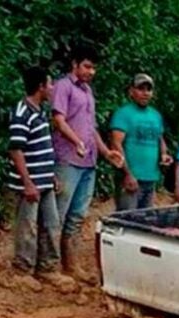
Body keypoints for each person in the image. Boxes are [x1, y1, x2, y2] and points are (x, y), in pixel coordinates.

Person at [52, 46, 124, 280]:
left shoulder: (87, 91)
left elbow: (91, 128)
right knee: (58, 215)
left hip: (88, 162)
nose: (91, 71)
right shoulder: (63, 86)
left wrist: (106, 152)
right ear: (75, 64)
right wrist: (76, 142)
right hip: (68, 160)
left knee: (77, 216)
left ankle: (70, 265)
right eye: (87, 66)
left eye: (93, 67)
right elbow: (59, 120)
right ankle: (50, 266)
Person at [6, 67, 73, 286]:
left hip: (43, 180)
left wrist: (50, 175)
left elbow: (41, 147)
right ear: (41, 87)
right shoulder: (21, 113)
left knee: (52, 224)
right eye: (50, 84)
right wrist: (27, 182)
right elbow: (16, 150)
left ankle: (47, 267)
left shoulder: (40, 111)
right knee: (28, 227)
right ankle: (22, 270)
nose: (53, 88)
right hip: (31, 183)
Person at [109, 73, 172, 211]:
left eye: (148, 89)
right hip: (130, 179)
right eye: (141, 89)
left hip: (150, 178)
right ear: (131, 91)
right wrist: (127, 173)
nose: (145, 93)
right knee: (127, 221)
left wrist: (164, 155)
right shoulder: (123, 113)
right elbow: (115, 144)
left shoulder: (155, 115)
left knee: (144, 221)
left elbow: (160, 138)